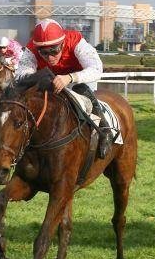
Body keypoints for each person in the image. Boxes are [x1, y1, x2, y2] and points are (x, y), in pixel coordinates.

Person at [15, 18, 113, 158]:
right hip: (51, 81)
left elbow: (96, 68)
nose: (50, 57)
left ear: (62, 43)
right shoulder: (31, 48)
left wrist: (70, 77)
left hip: (79, 80)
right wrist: (43, 79)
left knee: (82, 90)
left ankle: (104, 130)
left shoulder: (76, 41)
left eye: (54, 51)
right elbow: (21, 76)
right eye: (44, 53)